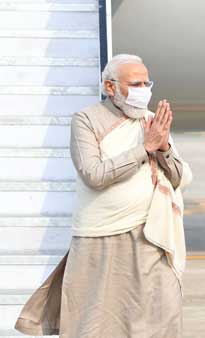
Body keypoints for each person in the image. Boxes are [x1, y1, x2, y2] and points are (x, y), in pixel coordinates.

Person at [15, 54, 192, 338]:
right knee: (96, 322)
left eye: (147, 82)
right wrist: (144, 148)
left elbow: (181, 177)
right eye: (135, 83)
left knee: (161, 317)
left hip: (153, 236)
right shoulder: (86, 120)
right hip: (101, 239)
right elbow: (94, 175)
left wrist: (162, 148)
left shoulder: (151, 121)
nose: (144, 89)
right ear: (110, 88)